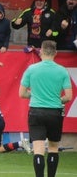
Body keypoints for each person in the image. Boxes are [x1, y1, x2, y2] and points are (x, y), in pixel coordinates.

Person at [19, 40, 72, 177]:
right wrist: (55, 99)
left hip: (36, 111)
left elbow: (22, 94)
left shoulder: (31, 69)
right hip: (54, 112)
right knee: (53, 148)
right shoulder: (62, 71)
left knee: (38, 149)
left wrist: (35, 94)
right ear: (55, 53)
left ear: (41, 51)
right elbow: (68, 96)